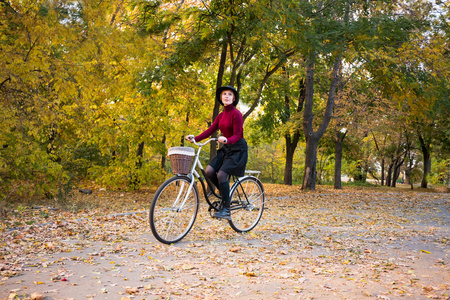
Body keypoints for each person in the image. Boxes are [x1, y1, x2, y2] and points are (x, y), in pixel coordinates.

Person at [186, 86, 248, 220]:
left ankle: (227, 209)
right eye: (224, 94)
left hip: (237, 150)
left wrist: (227, 140)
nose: (226, 96)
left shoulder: (236, 114)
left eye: (230, 94)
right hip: (226, 149)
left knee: (221, 175)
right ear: (221, 98)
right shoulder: (221, 115)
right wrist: (195, 138)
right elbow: (210, 130)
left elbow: (238, 134)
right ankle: (225, 194)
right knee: (208, 171)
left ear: (234, 98)